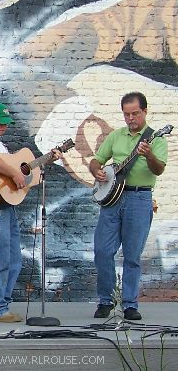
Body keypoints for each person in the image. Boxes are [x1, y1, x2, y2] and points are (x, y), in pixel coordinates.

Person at [0, 102, 62, 323]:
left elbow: (18, 175)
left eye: (6, 123)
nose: (4, 127)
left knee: (12, 260)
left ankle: (1, 305)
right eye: (0, 123)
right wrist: (14, 172)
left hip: (4, 207)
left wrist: (44, 161)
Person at [89, 92, 167, 321]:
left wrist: (149, 154)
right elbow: (97, 160)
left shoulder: (157, 139)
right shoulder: (116, 136)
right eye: (126, 114)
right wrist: (97, 171)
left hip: (139, 199)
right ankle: (106, 300)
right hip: (112, 200)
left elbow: (159, 169)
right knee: (103, 250)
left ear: (145, 111)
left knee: (132, 255)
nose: (130, 118)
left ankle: (130, 304)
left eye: (135, 113)